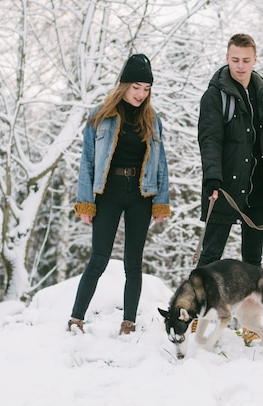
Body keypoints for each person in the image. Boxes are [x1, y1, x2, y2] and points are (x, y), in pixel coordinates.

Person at [68, 54, 171, 335]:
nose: (141, 94)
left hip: (141, 194)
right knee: (98, 259)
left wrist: (161, 202)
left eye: (146, 89)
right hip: (109, 193)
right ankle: (76, 319)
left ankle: (128, 324)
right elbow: (87, 161)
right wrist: (85, 203)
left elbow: (161, 162)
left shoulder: (153, 120)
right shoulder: (100, 116)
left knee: (133, 263)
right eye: (136, 87)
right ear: (123, 85)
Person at [196, 34, 263, 343]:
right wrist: (212, 178)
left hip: (261, 188)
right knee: (210, 257)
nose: (240, 65)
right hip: (224, 188)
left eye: (245, 60)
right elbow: (210, 140)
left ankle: (251, 325)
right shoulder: (215, 95)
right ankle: (195, 319)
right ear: (227, 57)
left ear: (255, 59)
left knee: (253, 264)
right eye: (234, 59)